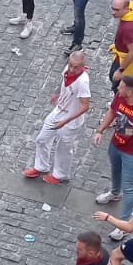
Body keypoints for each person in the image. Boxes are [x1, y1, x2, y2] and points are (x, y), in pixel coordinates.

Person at [91, 76, 133, 222]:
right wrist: (100, 130)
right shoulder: (120, 97)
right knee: (115, 170)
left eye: (121, 87)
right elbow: (112, 112)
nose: (118, 89)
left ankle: (124, 222)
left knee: (128, 187)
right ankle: (115, 192)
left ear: (129, 92)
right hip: (116, 143)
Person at [25, 49, 92, 185]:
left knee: (63, 148)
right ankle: (41, 166)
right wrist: (57, 93)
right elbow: (63, 82)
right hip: (58, 111)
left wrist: (65, 121)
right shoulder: (67, 69)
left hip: (70, 120)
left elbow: (85, 106)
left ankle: (60, 174)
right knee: (42, 139)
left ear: (82, 66)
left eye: (76, 67)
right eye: (71, 65)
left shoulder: (83, 82)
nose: (72, 69)